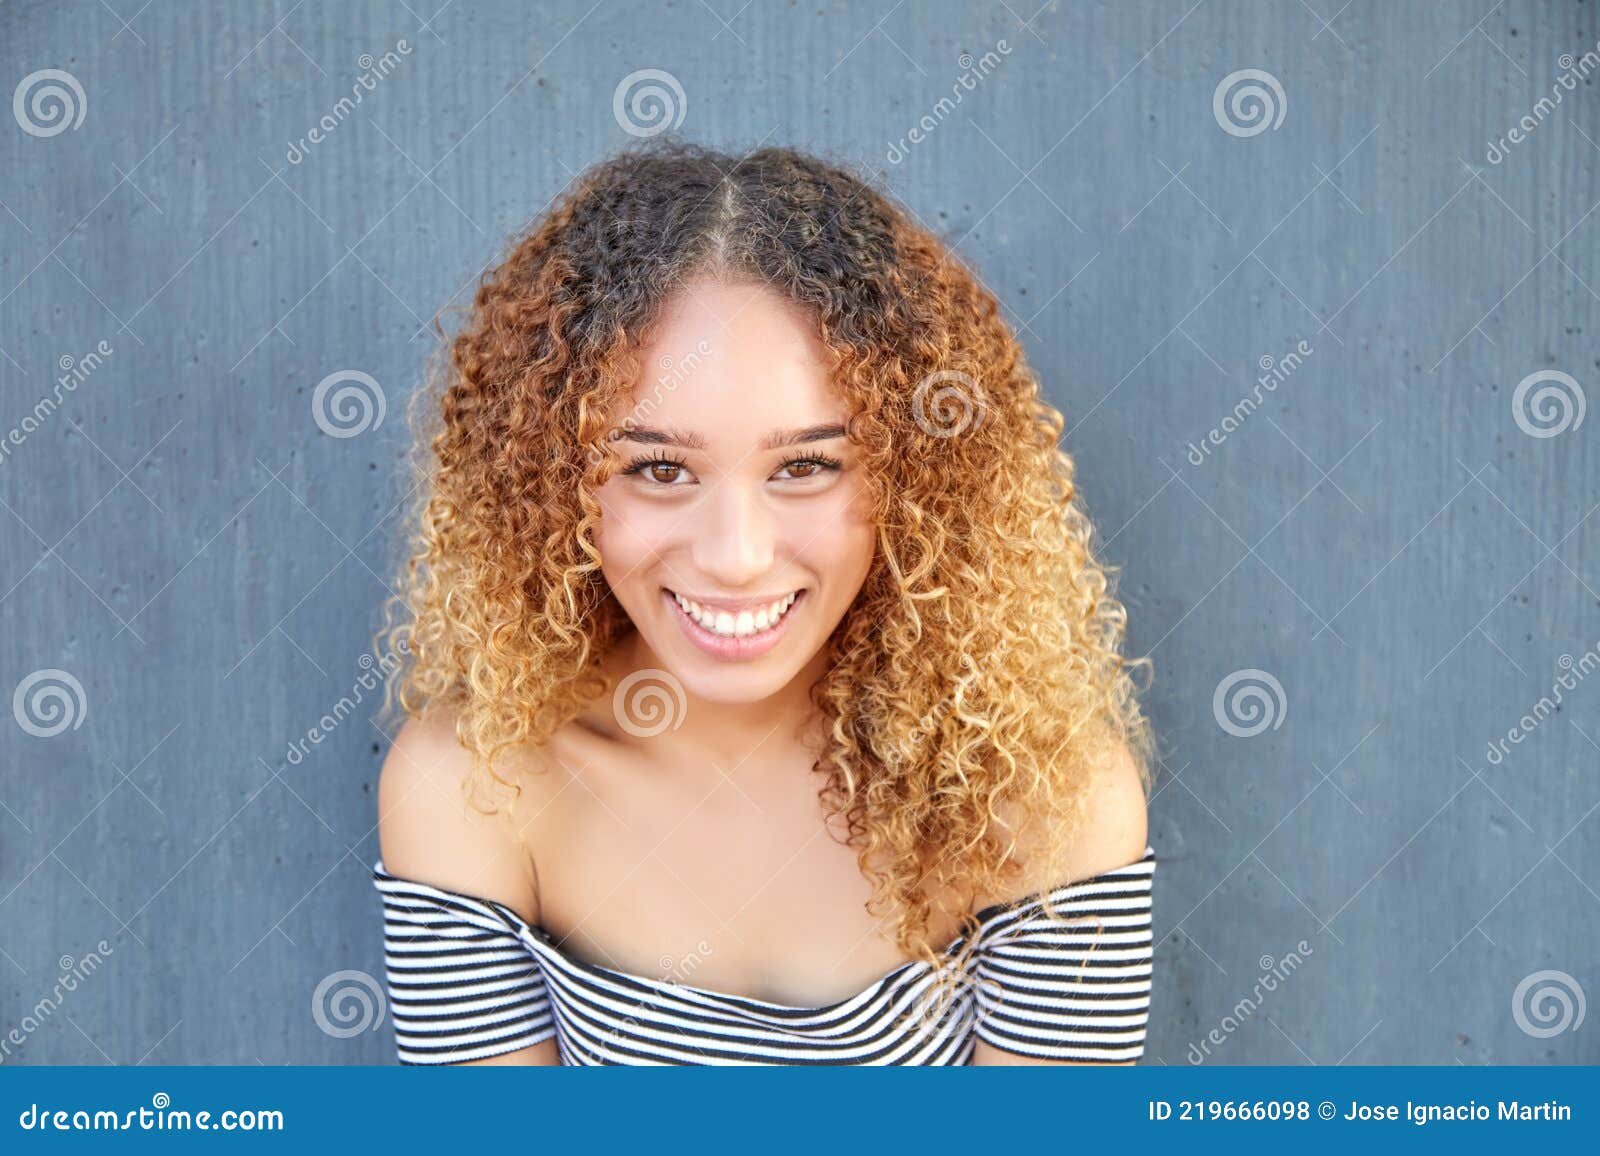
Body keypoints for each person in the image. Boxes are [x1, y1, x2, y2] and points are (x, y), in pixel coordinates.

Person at [370, 140, 1157, 1066]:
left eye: (807, 466)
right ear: (546, 481)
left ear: (920, 479)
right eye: (659, 468)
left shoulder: (1048, 804)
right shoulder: (471, 790)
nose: (735, 556)